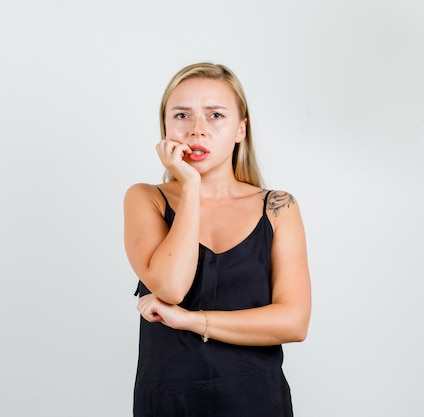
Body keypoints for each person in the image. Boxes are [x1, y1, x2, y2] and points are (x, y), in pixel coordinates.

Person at [123, 62, 311, 417]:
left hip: (257, 404)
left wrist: (191, 321)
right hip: (168, 404)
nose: (197, 131)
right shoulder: (145, 198)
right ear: (165, 127)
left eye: (215, 115)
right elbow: (171, 288)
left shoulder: (278, 208)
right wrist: (191, 185)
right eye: (181, 115)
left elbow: (293, 322)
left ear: (241, 129)